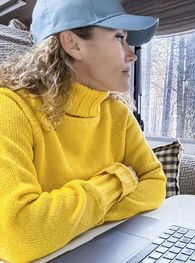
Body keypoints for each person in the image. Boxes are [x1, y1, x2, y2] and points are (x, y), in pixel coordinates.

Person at [0, 0, 166, 262]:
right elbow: (19, 235)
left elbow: (156, 185)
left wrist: (67, 219)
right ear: (73, 44)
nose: (131, 54)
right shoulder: (11, 109)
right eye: (119, 38)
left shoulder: (118, 114)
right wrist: (118, 179)